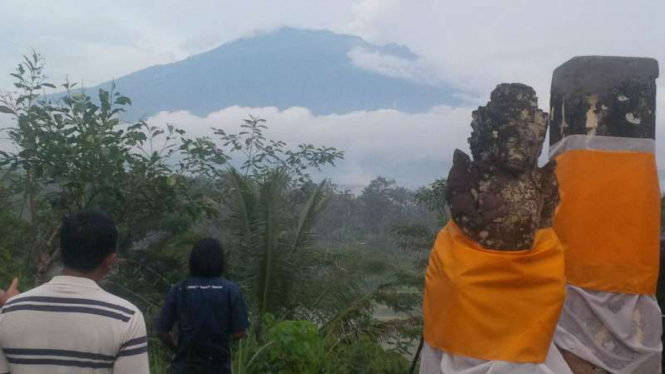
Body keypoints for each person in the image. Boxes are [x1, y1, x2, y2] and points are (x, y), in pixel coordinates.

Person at [0, 210, 149, 374]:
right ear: (110, 261)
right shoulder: (126, 317)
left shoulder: (9, 310)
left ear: (62, 250)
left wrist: (14, 307)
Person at [155, 238, 249, 374]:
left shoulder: (179, 289)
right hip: (218, 367)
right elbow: (239, 332)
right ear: (220, 261)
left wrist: (177, 347)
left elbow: (162, 330)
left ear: (193, 261)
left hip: (184, 366)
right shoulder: (230, 290)